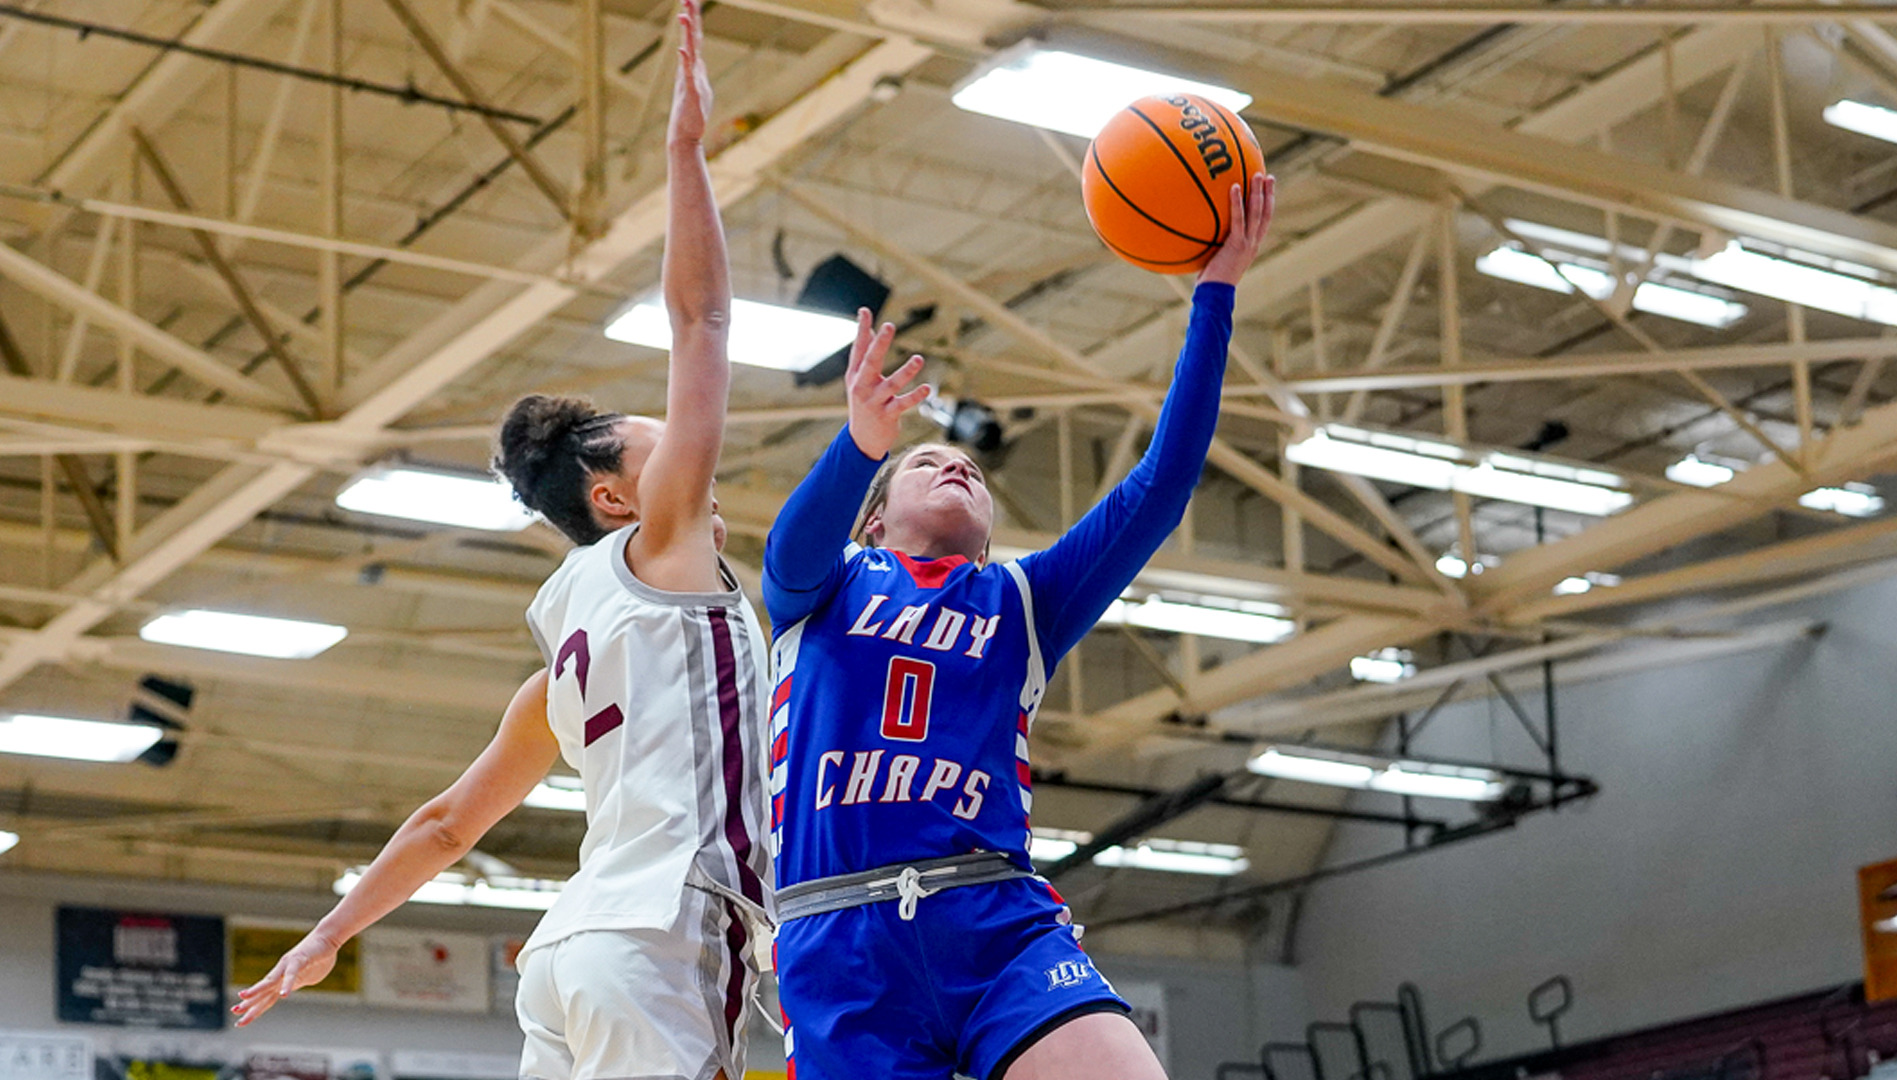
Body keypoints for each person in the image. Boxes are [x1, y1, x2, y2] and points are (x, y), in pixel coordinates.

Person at [231, 4, 771, 1077]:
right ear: (621, 501)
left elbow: (445, 823)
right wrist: (683, 150)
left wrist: (331, 934)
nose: (695, 470)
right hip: (659, 935)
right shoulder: (666, 555)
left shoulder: (563, 664)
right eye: (666, 458)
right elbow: (702, 323)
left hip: (566, 954)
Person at [759, 175, 1276, 1080]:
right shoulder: (828, 586)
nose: (958, 465)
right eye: (928, 462)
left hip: (993, 920)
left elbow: (1161, 483)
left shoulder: (1024, 600)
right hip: (840, 938)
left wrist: (1215, 294)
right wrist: (860, 441)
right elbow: (786, 553)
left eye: (972, 469)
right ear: (873, 518)